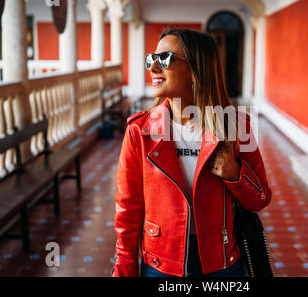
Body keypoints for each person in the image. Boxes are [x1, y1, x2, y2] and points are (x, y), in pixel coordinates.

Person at [112, 28, 271, 277]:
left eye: (164, 59)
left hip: (222, 264)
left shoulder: (237, 127)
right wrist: (123, 269)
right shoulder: (139, 131)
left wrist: (236, 174)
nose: (153, 67)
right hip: (161, 264)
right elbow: (128, 210)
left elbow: (260, 198)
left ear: (196, 70)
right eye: (151, 58)